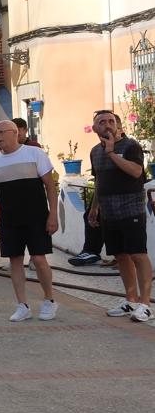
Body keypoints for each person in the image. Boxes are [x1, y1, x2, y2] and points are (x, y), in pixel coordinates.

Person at [0, 120, 60, 321]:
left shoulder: (35, 154)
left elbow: (50, 186)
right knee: (14, 261)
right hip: (9, 219)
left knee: (39, 259)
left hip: (36, 217)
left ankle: (49, 300)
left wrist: (53, 215)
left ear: (15, 133)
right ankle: (22, 305)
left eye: (1, 132)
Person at [87, 109, 151, 323]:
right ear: (94, 128)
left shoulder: (131, 146)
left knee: (138, 255)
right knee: (121, 256)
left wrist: (112, 153)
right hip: (109, 212)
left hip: (131, 210)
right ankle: (130, 300)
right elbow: (99, 181)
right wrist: (94, 208)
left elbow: (136, 172)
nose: (107, 125)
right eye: (101, 122)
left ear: (118, 125)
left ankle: (145, 304)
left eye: (111, 121)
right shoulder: (95, 151)